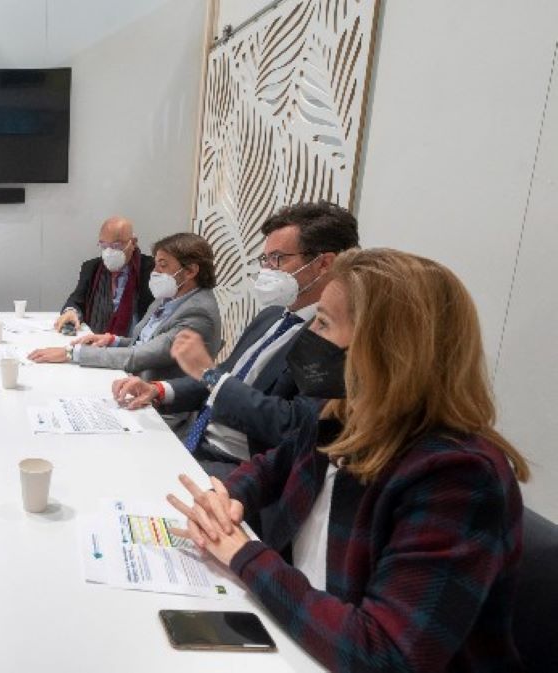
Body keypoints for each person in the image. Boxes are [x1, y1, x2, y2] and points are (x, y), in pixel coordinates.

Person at [166, 248, 530, 671]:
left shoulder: (456, 477)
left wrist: (243, 554)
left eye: (323, 323)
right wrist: (228, 495)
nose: (308, 337)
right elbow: (273, 466)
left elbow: (384, 654)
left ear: (386, 351)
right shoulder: (339, 414)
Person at [113, 201, 359, 477]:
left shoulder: (330, 338)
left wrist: (209, 374)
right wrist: (160, 390)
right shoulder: (271, 316)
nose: (267, 270)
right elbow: (224, 379)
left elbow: (290, 424)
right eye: (265, 260)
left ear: (323, 263)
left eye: (277, 258)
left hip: (240, 468)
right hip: (196, 443)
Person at [28, 232, 222, 385]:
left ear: (190, 271)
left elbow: (143, 355)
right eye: (156, 265)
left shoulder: (198, 313)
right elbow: (145, 342)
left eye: (163, 265)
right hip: (133, 381)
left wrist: (71, 354)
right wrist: (113, 340)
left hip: (161, 406)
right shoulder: (170, 296)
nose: (155, 273)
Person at [53, 216, 155, 335]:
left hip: (134, 344)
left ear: (133, 243)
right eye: (104, 246)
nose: (109, 251)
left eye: (116, 245)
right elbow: (76, 299)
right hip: (94, 339)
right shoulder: (91, 268)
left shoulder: (151, 269)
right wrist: (71, 311)